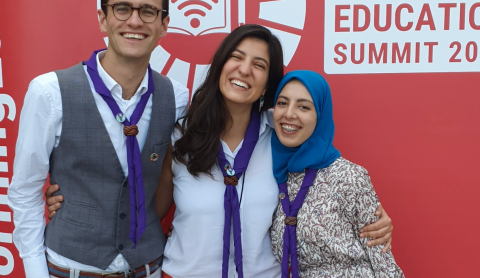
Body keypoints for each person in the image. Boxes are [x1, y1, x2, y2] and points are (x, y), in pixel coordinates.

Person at [46, 27, 395, 277]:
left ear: (267, 84)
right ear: (220, 65)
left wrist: (373, 218)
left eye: (260, 65)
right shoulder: (179, 136)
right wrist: (74, 199)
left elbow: (326, 178)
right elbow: (144, 208)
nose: (245, 69)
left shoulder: (280, 137)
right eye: (237, 57)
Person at [7, 0, 189, 278]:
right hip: (68, 269)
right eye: (122, 9)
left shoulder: (177, 98)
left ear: (163, 24)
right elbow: (24, 190)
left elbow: (179, 180)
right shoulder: (49, 92)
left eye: (148, 11)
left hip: (148, 268)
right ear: (103, 19)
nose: (135, 20)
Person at [269, 70, 404, 277]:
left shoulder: (350, 176)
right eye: (282, 103)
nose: (289, 114)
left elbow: (383, 260)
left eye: (304, 106)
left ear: (320, 115)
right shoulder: (271, 174)